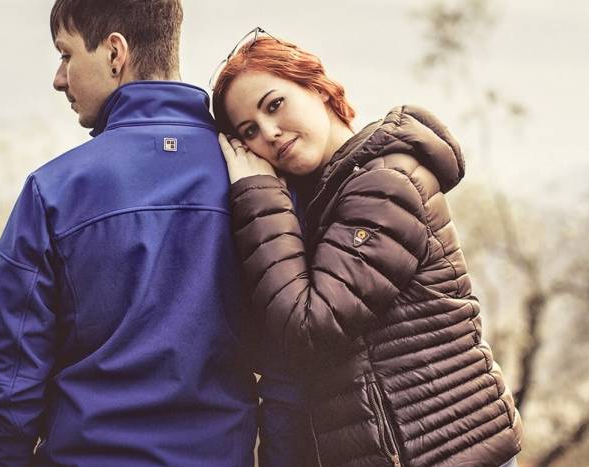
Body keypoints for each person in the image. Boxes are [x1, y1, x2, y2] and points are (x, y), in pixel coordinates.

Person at [212, 29, 522, 467]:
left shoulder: (384, 184)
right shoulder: (326, 197)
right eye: (250, 131)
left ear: (318, 88)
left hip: (453, 453)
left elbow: (310, 324)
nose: (270, 132)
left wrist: (258, 193)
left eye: (274, 104)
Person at [0, 1, 259, 465]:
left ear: (114, 53)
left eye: (66, 54)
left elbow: (10, 375)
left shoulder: (53, 190)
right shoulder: (257, 181)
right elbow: (294, 354)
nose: (59, 78)